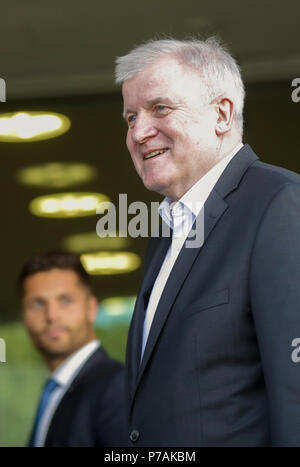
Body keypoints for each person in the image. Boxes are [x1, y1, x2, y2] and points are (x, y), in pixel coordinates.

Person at [115, 37, 300, 446]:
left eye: (159, 108)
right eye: (130, 117)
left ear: (221, 113)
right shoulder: (167, 230)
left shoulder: (281, 205)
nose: (139, 131)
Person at [19, 251, 126, 447]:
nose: (51, 315)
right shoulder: (54, 391)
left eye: (65, 300)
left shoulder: (116, 387)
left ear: (91, 309)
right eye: (37, 303)